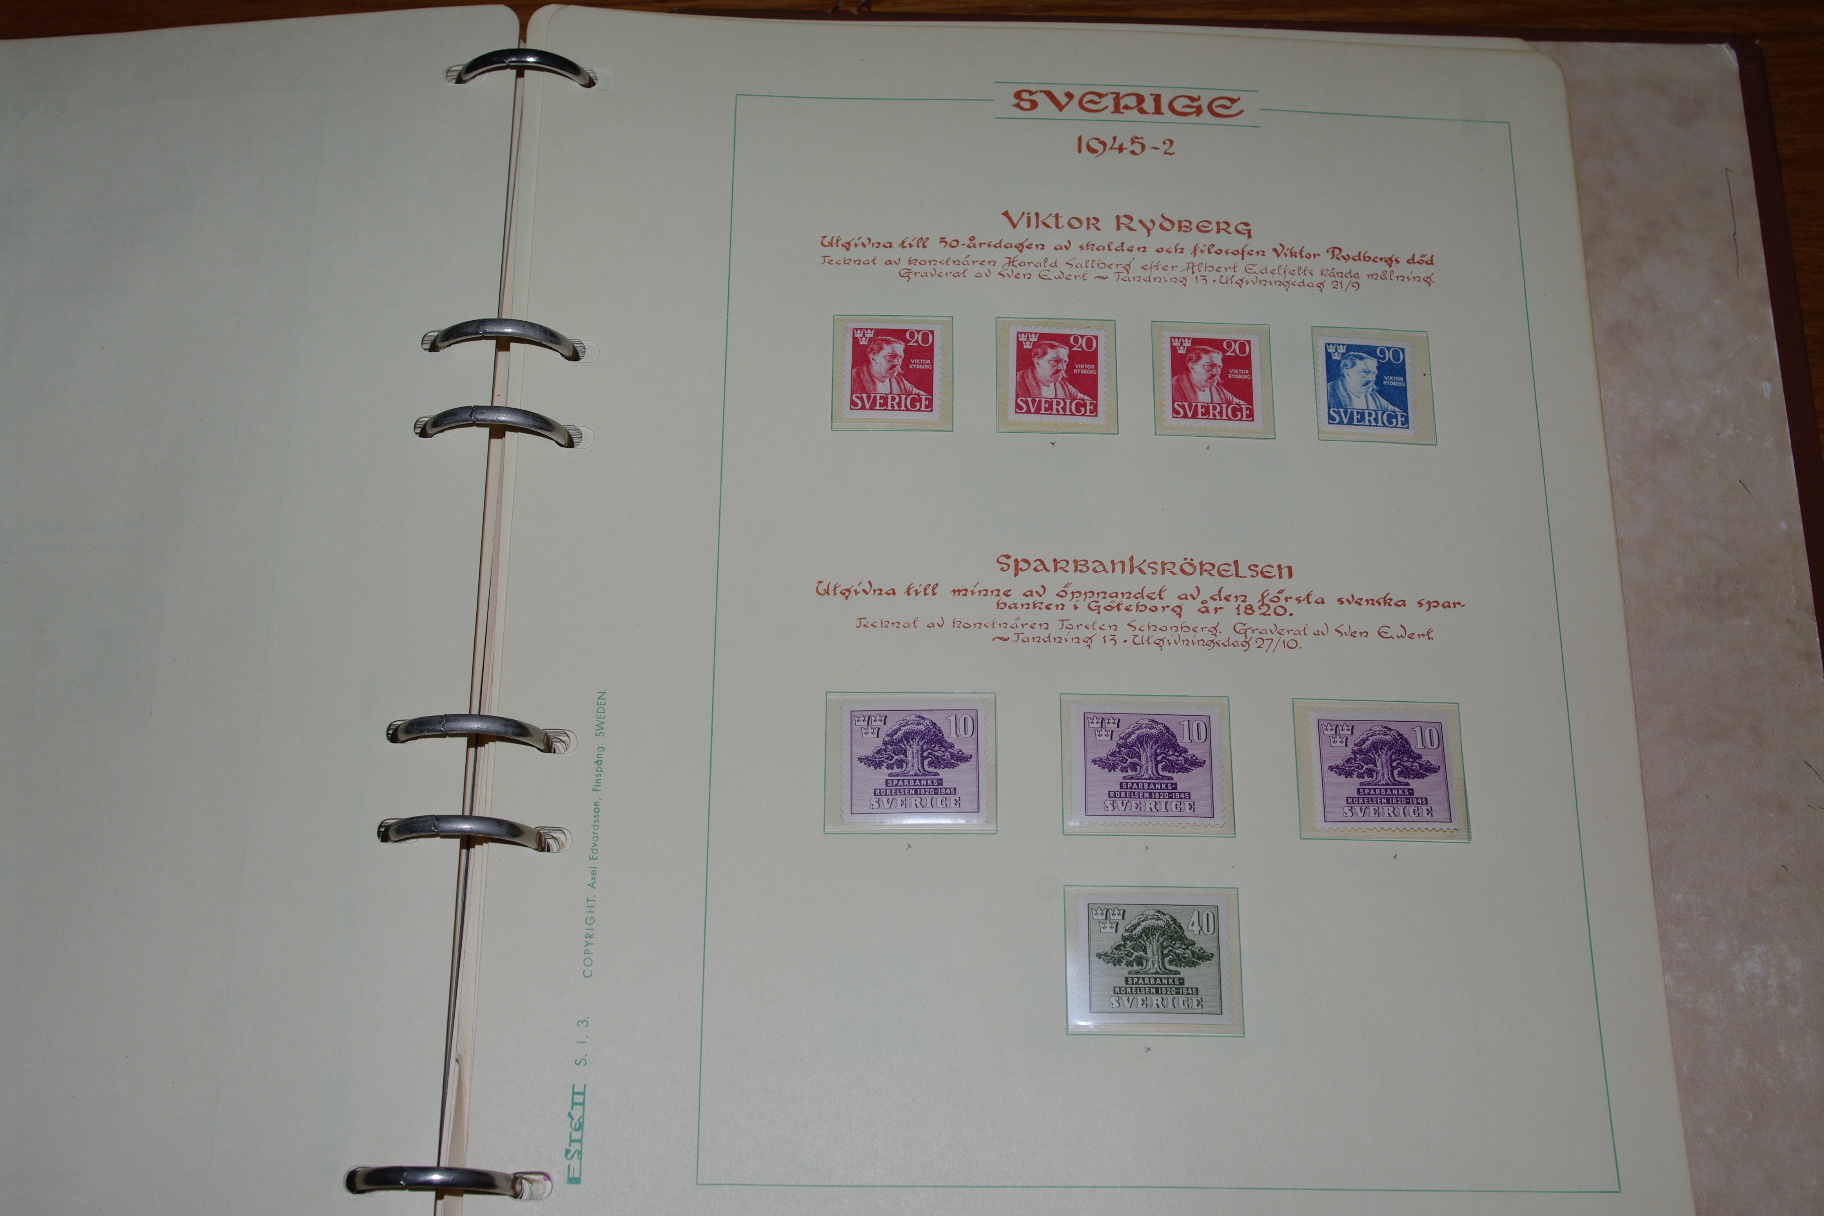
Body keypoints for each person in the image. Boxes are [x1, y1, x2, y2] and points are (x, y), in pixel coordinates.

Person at [1326, 351, 1400, 419]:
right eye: (1364, 372)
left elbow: (1399, 416)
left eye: (1373, 373)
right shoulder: (1327, 393)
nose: (1371, 378)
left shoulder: (1374, 397)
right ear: (1347, 373)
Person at [1171, 343, 1249, 409]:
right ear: (1192, 368)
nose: (1217, 373)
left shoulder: (1219, 391)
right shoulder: (1172, 387)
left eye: (1219, 367)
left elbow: (1245, 408)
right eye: (1209, 366)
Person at [1015, 339, 1092, 402]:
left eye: (1065, 362)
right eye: (1055, 361)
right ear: (1037, 362)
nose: (1062, 367)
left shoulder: (1064, 386)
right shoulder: (1016, 383)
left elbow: (1089, 403)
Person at [850, 336, 922, 398]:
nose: (898, 363)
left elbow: (925, 399)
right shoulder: (851, 380)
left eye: (900, 357)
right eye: (890, 356)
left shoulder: (900, 382)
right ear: (873, 358)